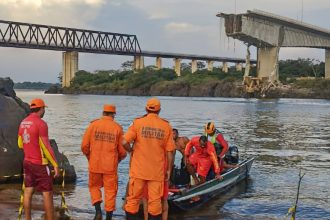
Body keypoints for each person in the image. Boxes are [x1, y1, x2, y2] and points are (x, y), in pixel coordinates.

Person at [122, 97, 175, 220]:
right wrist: (168, 171)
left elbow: (124, 141)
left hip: (138, 170)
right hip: (156, 172)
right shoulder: (166, 126)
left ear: (146, 109)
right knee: (155, 203)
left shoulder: (138, 123)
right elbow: (170, 151)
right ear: (159, 110)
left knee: (133, 200)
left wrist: (131, 151)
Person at [81, 104, 127, 220]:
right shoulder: (117, 128)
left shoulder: (93, 125)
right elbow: (123, 151)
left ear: (103, 113)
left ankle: (98, 212)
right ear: (113, 114)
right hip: (110, 166)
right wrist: (118, 160)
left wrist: (89, 157)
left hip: (94, 164)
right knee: (110, 191)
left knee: (94, 187)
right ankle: (109, 217)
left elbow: (84, 146)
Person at [18, 98, 59, 220]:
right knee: (47, 193)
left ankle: (28, 218)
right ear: (41, 109)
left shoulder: (23, 122)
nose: (44, 111)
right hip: (39, 163)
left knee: (28, 190)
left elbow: (20, 143)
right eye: (44, 108)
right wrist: (55, 165)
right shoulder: (41, 124)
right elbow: (46, 147)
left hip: (27, 162)